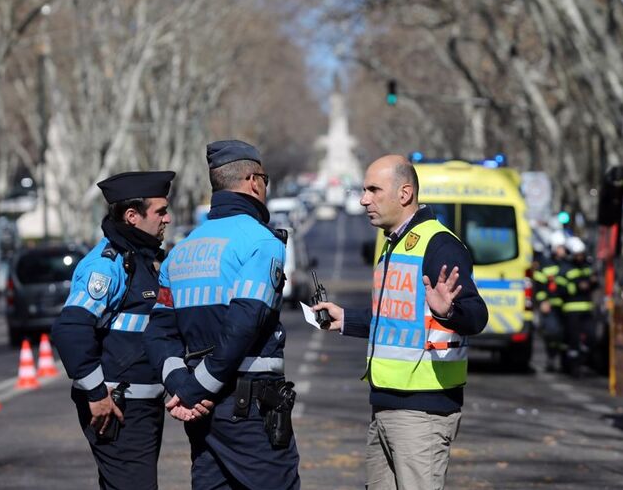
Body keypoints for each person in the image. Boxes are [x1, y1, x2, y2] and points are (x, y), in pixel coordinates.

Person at [313, 154, 488, 490]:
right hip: (386, 407)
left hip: (422, 412)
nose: (364, 199)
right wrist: (347, 319)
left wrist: (448, 312)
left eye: (373, 190)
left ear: (405, 194)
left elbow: (476, 315)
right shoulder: (391, 245)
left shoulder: (439, 245)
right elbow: (395, 318)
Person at [144, 140, 301, 490]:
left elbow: (158, 333)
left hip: (202, 414)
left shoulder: (181, 251)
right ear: (253, 181)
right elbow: (245, 323)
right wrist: (200, 387)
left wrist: (181, 385)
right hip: (249, 408)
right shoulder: (261, 243)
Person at [51, 171, 175, 490]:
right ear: (133, 217)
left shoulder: (140, 260)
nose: (168, 218)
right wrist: (96, 393)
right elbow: (70, 329)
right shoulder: (107, 266)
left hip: (139, 407)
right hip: (118, 408)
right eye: (160, 211)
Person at [533, 230, 570, 372]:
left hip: (565, 306)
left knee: (564, 335)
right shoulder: (546, 265)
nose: (563, 250)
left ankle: (561, 361)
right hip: (550, 306)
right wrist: (543, 301)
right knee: (552, 332)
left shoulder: (567, 263)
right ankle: (551, 357)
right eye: (560, 247)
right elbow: (540, 285)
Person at [560, 236, 595, 378]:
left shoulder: (586, 267)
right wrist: (577, 287)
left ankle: (582, 362)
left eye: (581, 255)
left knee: (591, 338)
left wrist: (591, 283)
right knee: (573, 341)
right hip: (571, 311)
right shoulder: (565, 268)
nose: (580, 258)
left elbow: (593, 282)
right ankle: (573, 368)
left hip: (586, 310)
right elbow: (562, 289)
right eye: (577, 255)